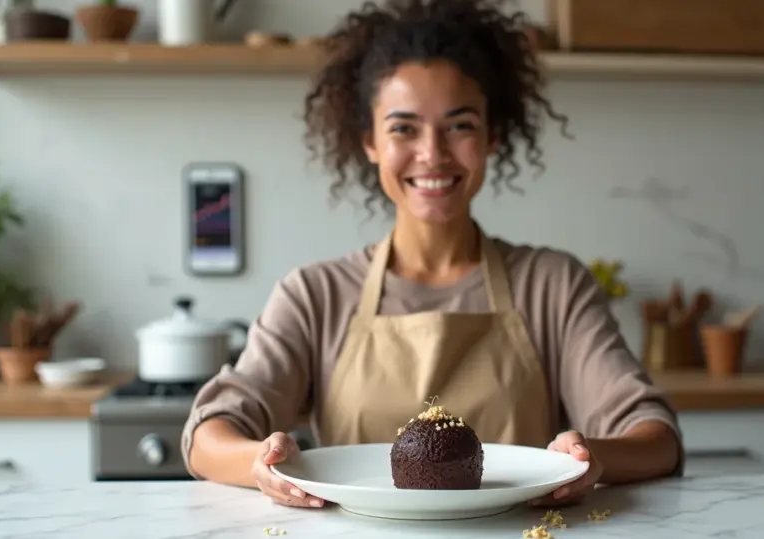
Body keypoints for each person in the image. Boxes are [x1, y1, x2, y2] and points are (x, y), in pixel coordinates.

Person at [182, 0, 683, 509]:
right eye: (403, 128)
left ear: (493, 136)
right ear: (369, 142)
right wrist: (260, 461)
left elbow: (655, 438)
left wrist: (587, 456)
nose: (433, 154)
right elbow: (209, 436)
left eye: (460, 125)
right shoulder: (316, 294)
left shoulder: (553, 285)